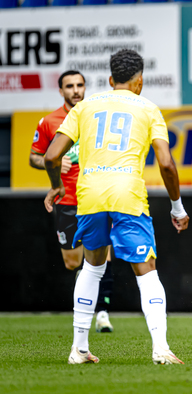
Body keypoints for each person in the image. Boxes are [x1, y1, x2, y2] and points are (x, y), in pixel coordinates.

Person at [43, 49, 190, 365]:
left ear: (110, 79)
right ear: (140, 81)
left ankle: (78, 349)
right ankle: (161, 349)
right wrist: (177, 207)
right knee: (146, 272)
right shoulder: (149, 109)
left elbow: (51, 157)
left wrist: (56, 185)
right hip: (128, 196)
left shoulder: (84, 107)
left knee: (92, 267)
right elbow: (166, 163)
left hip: (90, 195)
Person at [30, 70, 115, 333]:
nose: (76, 90)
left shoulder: (96, 115)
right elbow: (34, 157)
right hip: (66, 199)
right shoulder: (49, 122)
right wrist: (53, 161)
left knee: (103, 252)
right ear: (61, 91)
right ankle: (88, 288)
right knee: (72, 261)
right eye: (70, 86)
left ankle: (101, 311)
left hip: (94, 195)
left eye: (80, 85)